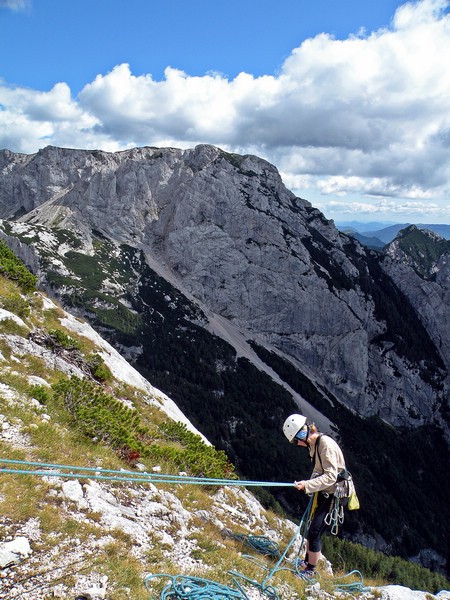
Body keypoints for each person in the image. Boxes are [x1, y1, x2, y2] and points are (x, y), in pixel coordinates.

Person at [283, 413, 347, 580]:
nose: (296, 445)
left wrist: (308, 485)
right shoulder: (314, 445)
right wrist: (308, 486)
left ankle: (310, 570)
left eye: (295, 441)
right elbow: (318, 470)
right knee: (312, 526)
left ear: (302, 434)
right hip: (326, 491)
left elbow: (331, 476)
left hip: (335, 494)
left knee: (315, 531)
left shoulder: (325, 445)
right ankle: (306, 562)